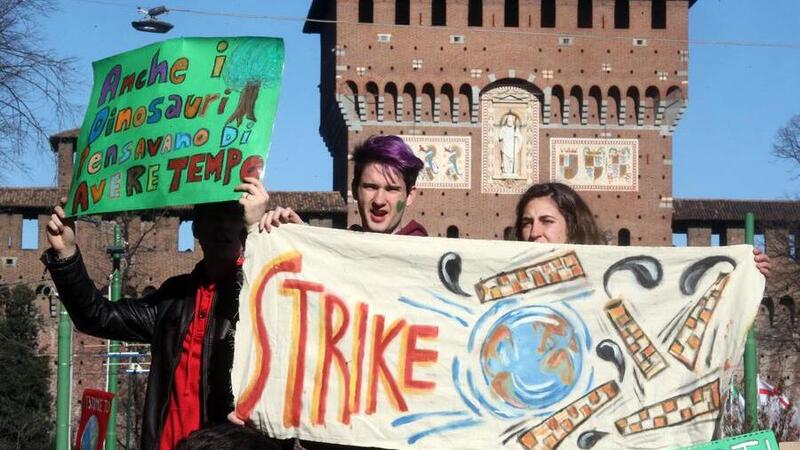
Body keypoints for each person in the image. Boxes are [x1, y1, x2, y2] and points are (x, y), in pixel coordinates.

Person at [42, 178, 271, 450]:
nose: (223, 226)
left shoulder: (263, 296)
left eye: (233, 216)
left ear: (243, 227)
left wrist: (265, 233)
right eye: (213, 216)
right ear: (196, 227)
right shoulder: (173, 299)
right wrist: (66, 254)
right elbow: (97, 316)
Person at [513, 182, 771, 275]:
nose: (534, 232)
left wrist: (742, 272)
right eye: (527, 223)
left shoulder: (612, 276)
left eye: (547, 221)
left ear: (572, 225)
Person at [260, 135, 426, 236]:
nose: (379, 200)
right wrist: (301, 237)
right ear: (354, 189)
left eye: (391, 189)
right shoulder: (339, 251)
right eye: (370, 187)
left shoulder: (429, 260)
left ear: (410, 195)